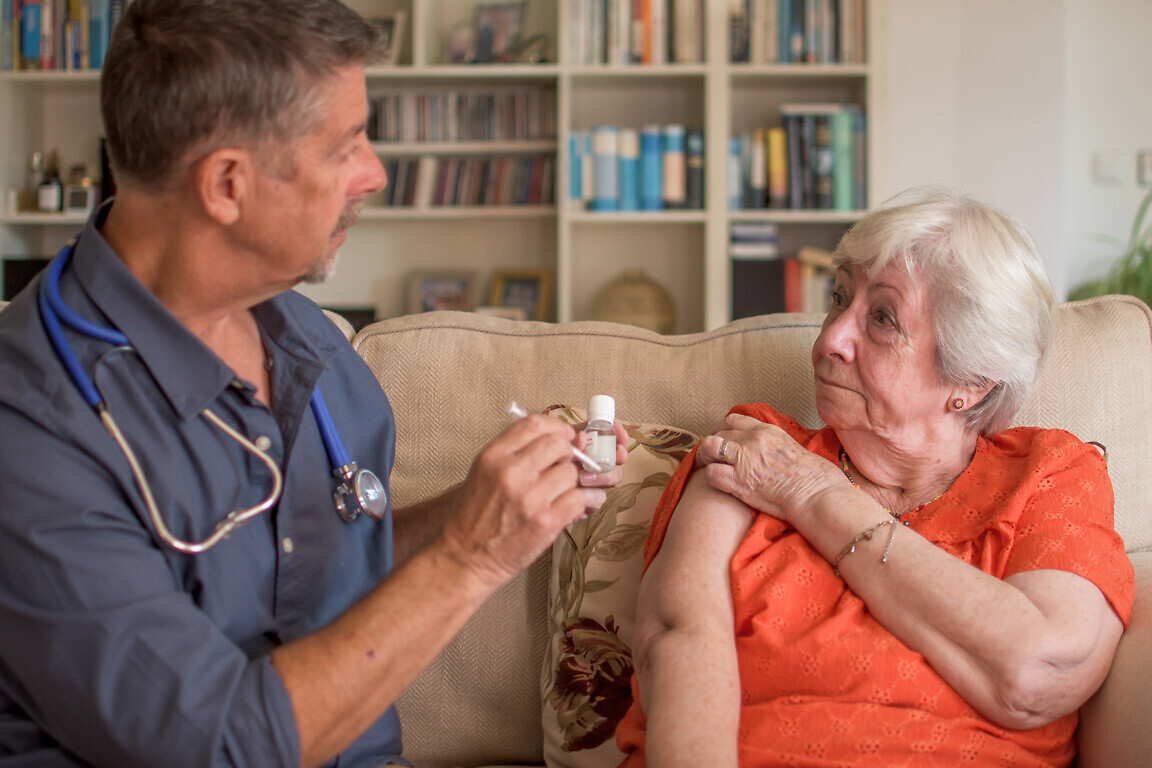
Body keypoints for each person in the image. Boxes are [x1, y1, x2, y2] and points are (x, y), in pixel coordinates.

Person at [0, 1, 625, 766]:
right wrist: (470, 556)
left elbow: (316, 578)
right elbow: (217, 747)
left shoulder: (305, 341)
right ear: (227, 185)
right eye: (344, 146)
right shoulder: (31, 431)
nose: (376, 172)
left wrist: (484, 508)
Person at [616, 189, 1135, 767]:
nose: (831, 339)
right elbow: (676, 637)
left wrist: (815, 496)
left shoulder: (1049, 475)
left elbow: (1039, 672)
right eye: (838, 299)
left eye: (882, 318)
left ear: (972, 380)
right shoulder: (759, 449)